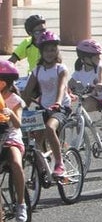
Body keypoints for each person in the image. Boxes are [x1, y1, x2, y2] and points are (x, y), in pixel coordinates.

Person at [21, 30, 71, 181]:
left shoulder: (60, 69)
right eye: (46, 50)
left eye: (53, 50)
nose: (50, 53)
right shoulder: (37, 71)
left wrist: (57, 102)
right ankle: (41, 169)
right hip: (43, 108)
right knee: (34, 140)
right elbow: (27, 93)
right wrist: (20, 107)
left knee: (50, 128)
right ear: (41, 52)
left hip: (60, 107)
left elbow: (62, 87)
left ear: (57, 51)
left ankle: (59, 164)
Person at [0, 59, 28, 222]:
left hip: (11, 135)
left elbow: (18, 124)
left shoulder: (15, 99)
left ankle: (21, 203)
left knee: (16, 162)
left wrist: (9, 112)